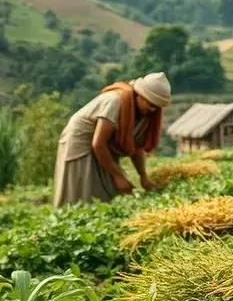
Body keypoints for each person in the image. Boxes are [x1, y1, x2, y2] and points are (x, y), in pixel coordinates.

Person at [53, 72, 170, 208]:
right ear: (139, 95)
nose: (152, 109)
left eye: (156, 107)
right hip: (81, 141)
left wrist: (143, 176)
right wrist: (118, 176)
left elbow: (135, 147)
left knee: (110, 191)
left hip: (103, 145)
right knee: (83, 190)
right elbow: (99, 143)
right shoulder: (116, 101)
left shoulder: (146, 114)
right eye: (150, 104)